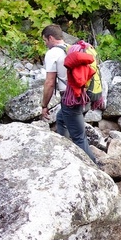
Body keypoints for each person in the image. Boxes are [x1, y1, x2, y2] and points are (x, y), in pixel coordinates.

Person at [40, 24, 95, 160]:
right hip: (84, 94)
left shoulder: (53, 53)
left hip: (71, 98)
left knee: (79, 137)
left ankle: (93, 167)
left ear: (51, 38)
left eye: (45, 41)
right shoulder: (72, 49)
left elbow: (49, 82)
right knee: (61, 118)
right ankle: (63, 153)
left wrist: (44, 105)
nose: (45, 44)